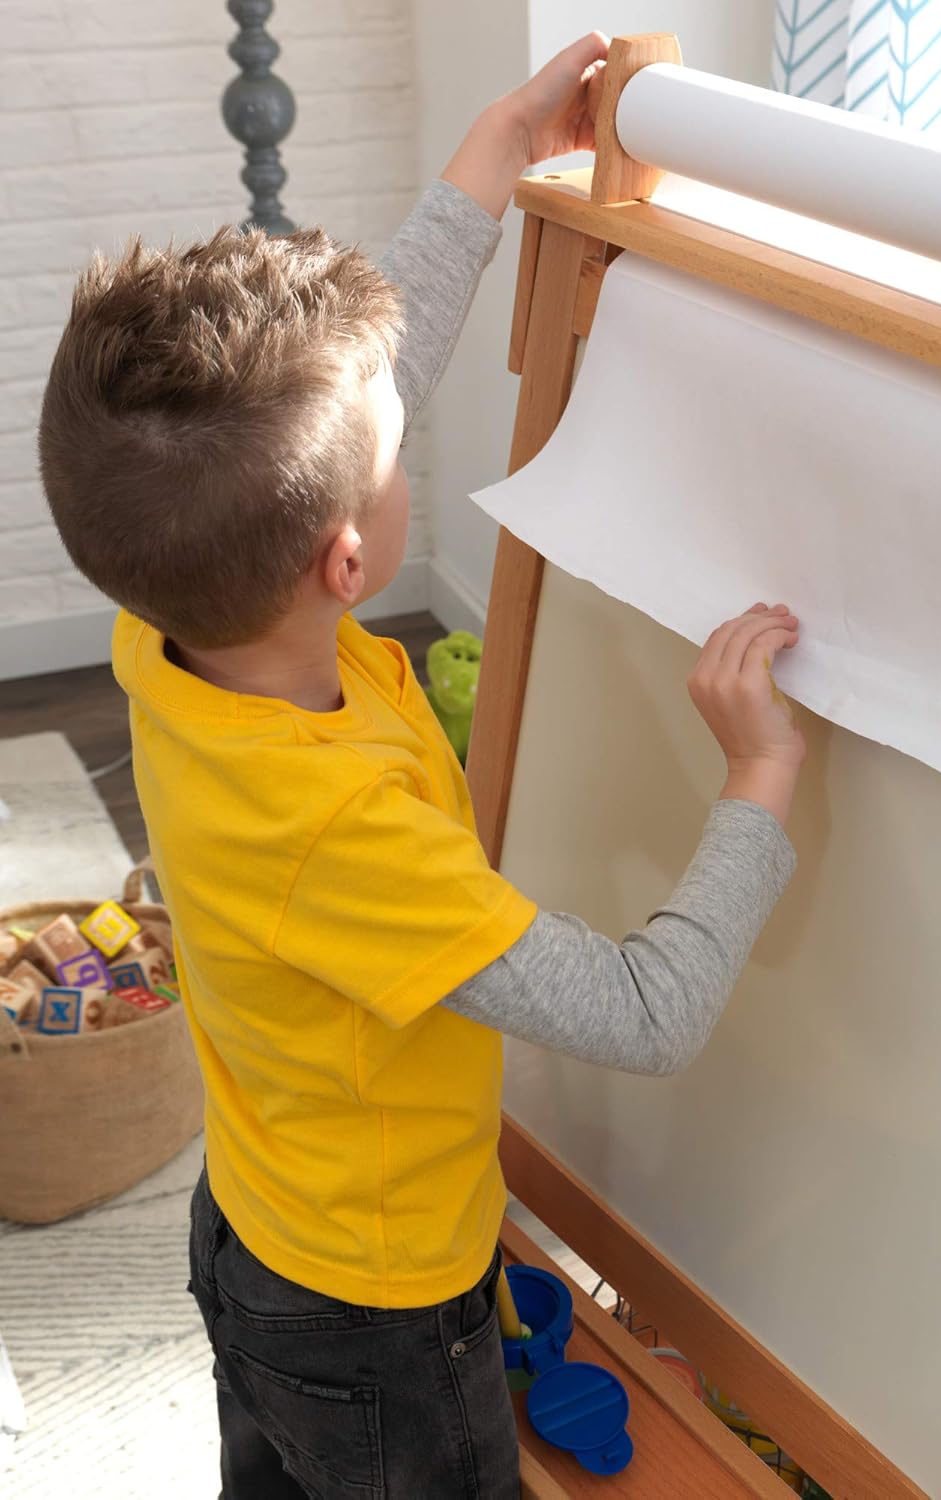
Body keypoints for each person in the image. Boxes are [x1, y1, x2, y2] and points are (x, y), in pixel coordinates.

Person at [38, 34, 804, 1498]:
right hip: (380, 1314)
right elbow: (646, 1010)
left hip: (257, 1231)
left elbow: (362, 387)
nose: (406, 416)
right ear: (349, 555)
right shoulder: (340, 839)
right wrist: (758, 774)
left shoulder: (165, 623)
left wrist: (499, 152)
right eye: (394, 447)